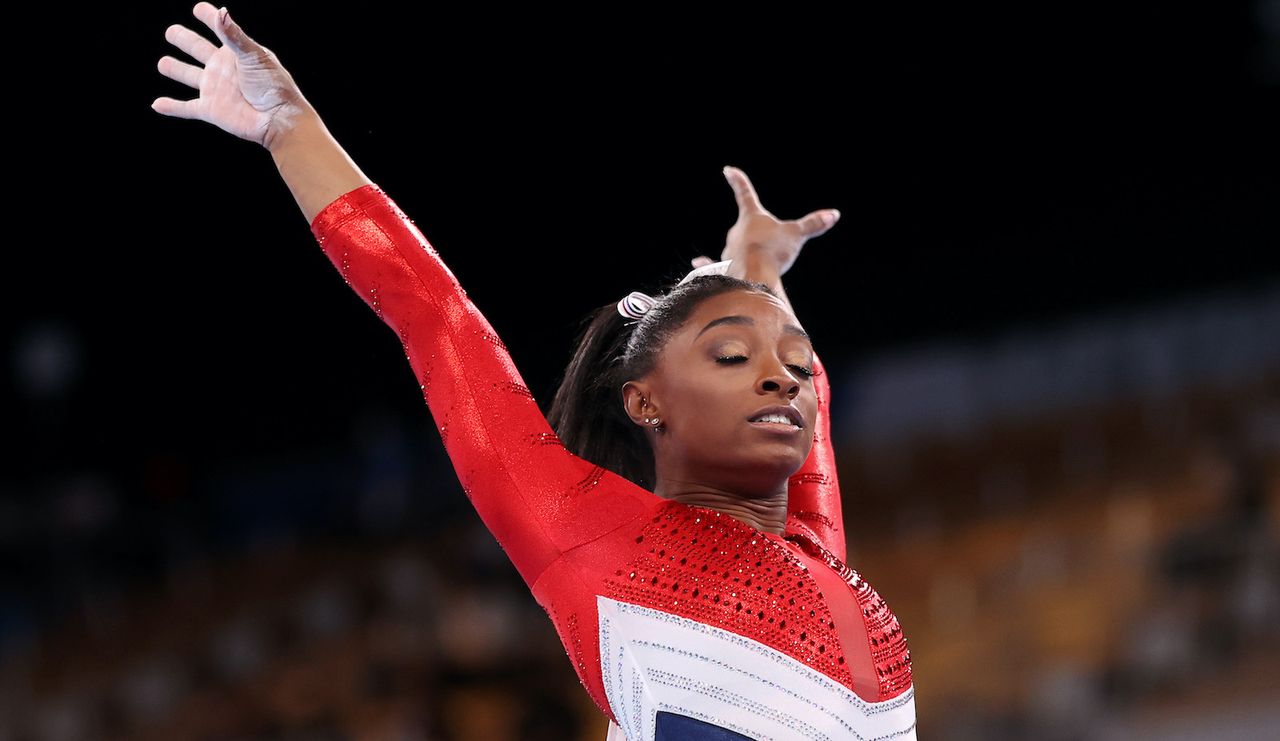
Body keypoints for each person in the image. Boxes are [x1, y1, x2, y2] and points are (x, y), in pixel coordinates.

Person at [153, 5, 915, 738]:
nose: (783, 379)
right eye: (730, 356)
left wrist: (756, 266)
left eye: (790, 361)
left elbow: (807, 378)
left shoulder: (815, 553)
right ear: (646, 402)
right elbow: (435, 316)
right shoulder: (589, 534)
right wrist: (292, 128)